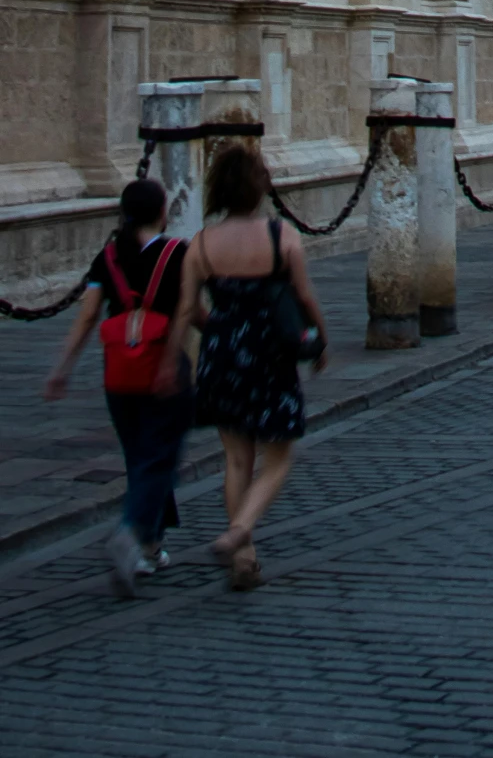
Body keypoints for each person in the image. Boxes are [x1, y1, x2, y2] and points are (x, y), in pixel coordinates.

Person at [157, 144, 328, 591]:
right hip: (270, 355)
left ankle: (244, 558)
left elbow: (185, 309)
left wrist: (175, 358)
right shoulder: (282, 236)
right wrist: (320, 338)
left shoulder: (201, 244)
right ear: (259, 188)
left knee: (236, 458)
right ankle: (239, 532)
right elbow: (305, 297)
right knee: (278, 455)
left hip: (221, 353)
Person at [44, 177, 191, 598]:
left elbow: (88, 316)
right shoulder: (177, 254)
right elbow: (189, 311)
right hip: (164, 370)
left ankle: (151, 545)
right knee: (159, 457)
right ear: (163, 211)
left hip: (119, 375)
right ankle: (131, 532)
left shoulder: (107, 258)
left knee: (141, 458)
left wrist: (62, 368)